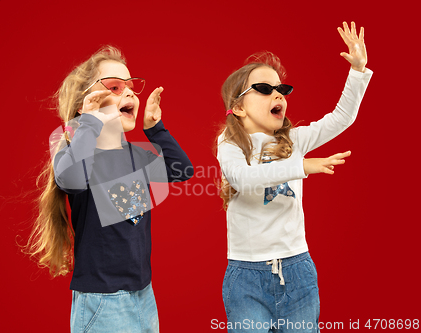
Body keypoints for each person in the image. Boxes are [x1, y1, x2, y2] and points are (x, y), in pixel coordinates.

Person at [216, 22, 372, 332]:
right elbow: (244, 179)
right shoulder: (230, 144)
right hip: (246, 274)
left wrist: (357, 71)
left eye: (281, 89)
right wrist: (302, 167)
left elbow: (342, 118)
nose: (277, 94)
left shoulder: (295, 140)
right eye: (263, 89)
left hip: (297, 269)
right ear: (238, 108)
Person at [26, 45, 193, 333]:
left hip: (143, 294)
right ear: (86, 102)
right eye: (115, 87)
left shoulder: (137, 154)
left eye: (130, 86)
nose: (129, 93)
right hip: (103, 301)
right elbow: (72, 180)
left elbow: (182, 170)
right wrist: (89, 123)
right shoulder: (77, 154)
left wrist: (155, 128)